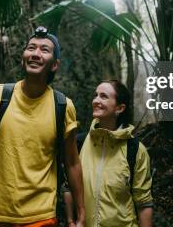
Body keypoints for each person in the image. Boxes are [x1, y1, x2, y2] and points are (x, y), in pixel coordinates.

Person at [0, 27, 85, 227]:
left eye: (44, 50)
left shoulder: (63, 106)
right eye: (31, 48)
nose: (35, 53)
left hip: (40, 216)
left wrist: (81, 213)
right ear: (22, 57)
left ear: (55, 65)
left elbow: (72, 163)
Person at [65, 80, 153, 227]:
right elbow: (69, 187)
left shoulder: (135, 150)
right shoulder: (80, 143)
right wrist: (70, 221)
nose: (96, 100)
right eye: (95, 95)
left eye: (103, 96)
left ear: (119, 108)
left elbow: (143, 203)